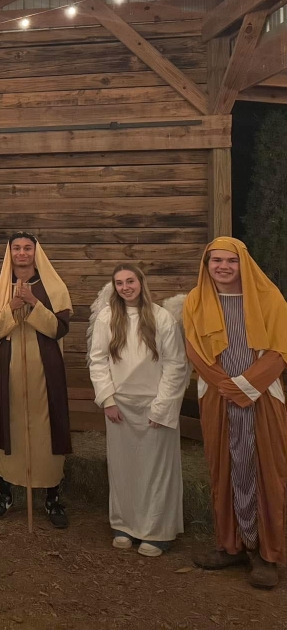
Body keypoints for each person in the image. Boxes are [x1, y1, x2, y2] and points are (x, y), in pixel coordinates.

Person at [183, 237, 287, 589]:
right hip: (217, 398)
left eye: (231, 261)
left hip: (263, 398)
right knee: (224, 470)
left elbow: (279, 350)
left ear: (243, 263)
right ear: (206, 264)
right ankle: (230, 546)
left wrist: (246, 387)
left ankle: (267, 554)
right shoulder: (196, 302)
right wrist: (227, 387)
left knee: (267, 472)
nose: (223, 267)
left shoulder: (269, 298)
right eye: (216, 261)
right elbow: (195, 351)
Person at [88, 264, 189, 557]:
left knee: (155, 470)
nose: (125, 287)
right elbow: (97, 361)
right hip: (120, 406)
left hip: (154, 405)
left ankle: (156, 532)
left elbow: (175, 365)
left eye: (130, 281)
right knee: (123, 468)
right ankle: (125, 525)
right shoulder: (108, 317)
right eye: (119, 283)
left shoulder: (162, 318)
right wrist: (107, 399)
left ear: (141, 282)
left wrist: (161, 407)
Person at [0, 233, 72, 528]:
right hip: (8, 372)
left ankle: (51, 496)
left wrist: (33, 303)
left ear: (36, 252)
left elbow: (59, 329)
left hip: (45, 372)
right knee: (10, 424)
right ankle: (5, 492)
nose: (22, 253)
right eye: (16, 248)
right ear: (9, 252)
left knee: (47, 428)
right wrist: (10, 307)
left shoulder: (54, 286)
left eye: (27, 248)